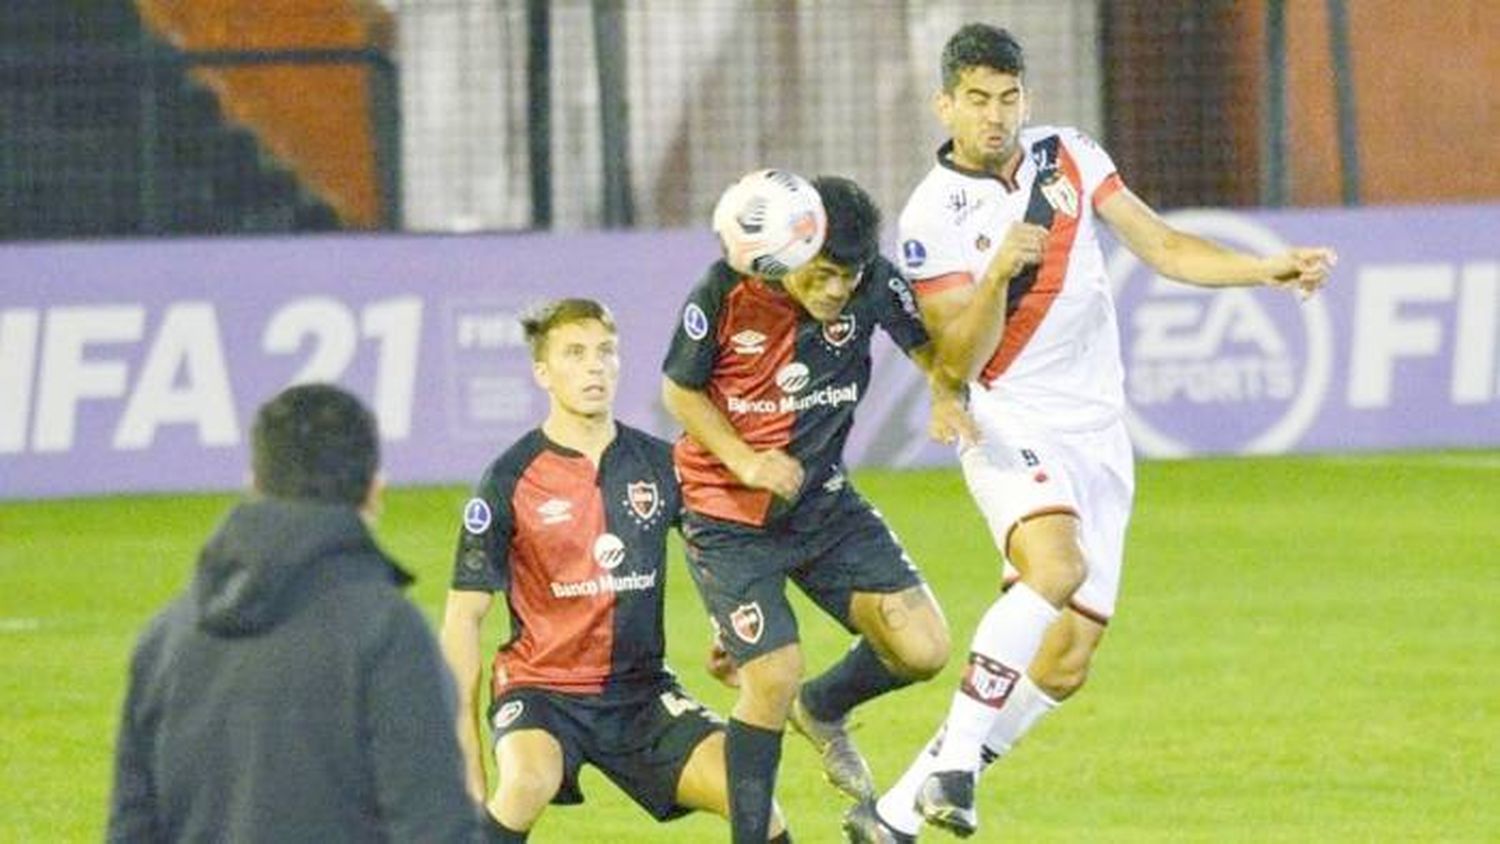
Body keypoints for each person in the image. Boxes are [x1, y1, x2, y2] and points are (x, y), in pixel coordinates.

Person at [845, 23, 1338, 842]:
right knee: (1054, 563)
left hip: (1099, 432)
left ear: (1025, 99)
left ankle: (896, 813)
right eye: (977, 100)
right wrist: (999, 271)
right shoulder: (930, 216)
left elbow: (1164, 246)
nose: (995, 115)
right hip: (1007, 413)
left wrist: (1264, 269)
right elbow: (955, 361)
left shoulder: (1069, 155)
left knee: (1066, 660)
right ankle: (958, 766)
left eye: (1008, 98)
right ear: (946, 105)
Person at [662, 175, 974, 843]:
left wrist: (946, 393)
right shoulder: (726, 292)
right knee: (770, 676)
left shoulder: (873, 284)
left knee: (924, 648)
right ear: (792, 247)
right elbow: (680, 392)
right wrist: (747, 461)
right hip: (727, 519)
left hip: (824, 507)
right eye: (826, 274)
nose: (837, 290)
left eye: (850, 277)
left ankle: (824, 707)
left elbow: (927, 348)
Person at [440, 298, 791, 842]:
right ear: (543, 373)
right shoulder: (508, 480)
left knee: (753, 798)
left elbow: (725, 552)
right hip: (542, 689)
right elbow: (463, 619)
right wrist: (464, 762)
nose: (594, 366)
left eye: (605, 352)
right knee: (528, 782)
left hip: (641, 692)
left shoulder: (662, 464)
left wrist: (733, 630)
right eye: (574, 354)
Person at [107, 383, 482, 843]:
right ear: (373, 490)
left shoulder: (165, 639)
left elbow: (131, 831)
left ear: (255, 483)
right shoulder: (387, 633)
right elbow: (435, 830)